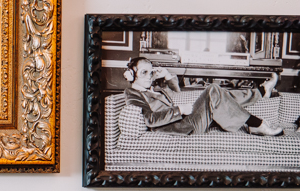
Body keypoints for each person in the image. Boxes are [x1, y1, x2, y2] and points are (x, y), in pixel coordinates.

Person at [122, 56, 284, 137]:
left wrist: (167, 76)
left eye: (151, 72)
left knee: (221, 95)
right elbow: (149, 120)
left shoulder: (152, 87)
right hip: (181, 127)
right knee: (213, 90)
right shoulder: (133, 94)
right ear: (131, 75)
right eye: (144, 72)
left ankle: (262, 92)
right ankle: (257, 123)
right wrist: (179, 110)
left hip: (185, 120)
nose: (149, 76)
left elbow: (176, 92)